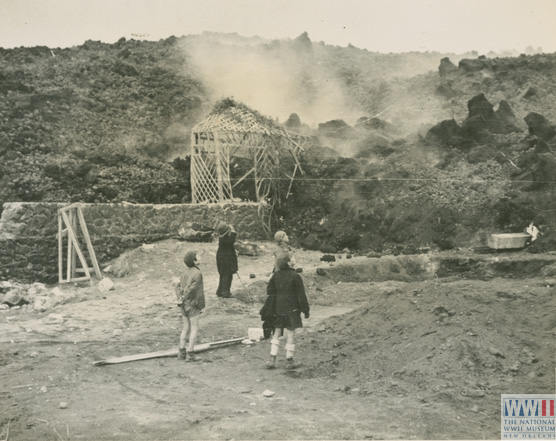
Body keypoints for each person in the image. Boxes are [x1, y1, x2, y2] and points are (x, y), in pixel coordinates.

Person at [264, 251, 310, 370]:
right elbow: (301, 296)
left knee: (277, 331)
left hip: (279, 309)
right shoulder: (295, 276)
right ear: (289, 262)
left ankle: (272, 358)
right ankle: (289, 360)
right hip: (292, 309)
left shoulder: (276, 275)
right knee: (290, 333)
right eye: (292, 257)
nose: (294, 258)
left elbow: (270, 291)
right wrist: (306, 310)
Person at [175, 250, 205, 362]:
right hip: (193, 304)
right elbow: (192, 289)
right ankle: (190, 354)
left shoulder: (184, 273)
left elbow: (177, 286)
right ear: (194, 261)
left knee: (185, 328)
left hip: (183, 305)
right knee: (194, 328)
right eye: (198, 256)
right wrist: (184, 297)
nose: (200, 257)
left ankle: (181, 352)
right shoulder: (198, 274)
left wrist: (180, 298)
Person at [215, 221, 238, 298]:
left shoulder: (223, 239)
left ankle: (220, 291)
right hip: (225, 261)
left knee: (223, 276)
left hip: (223, 259)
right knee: (227, 276)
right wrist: (233, 231)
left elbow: (230, 244)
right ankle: (225, 292)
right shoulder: (225, 240)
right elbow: (232, 240)